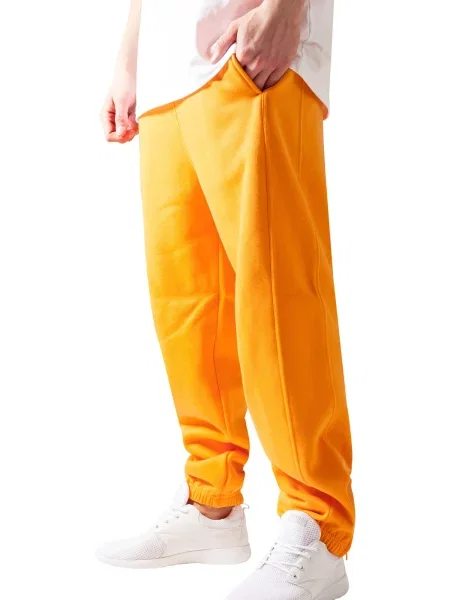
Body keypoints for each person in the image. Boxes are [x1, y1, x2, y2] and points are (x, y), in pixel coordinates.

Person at [97, 1, 355, 598]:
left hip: (252, 52)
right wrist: (130, 57)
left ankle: (318, 526)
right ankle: (212, 501)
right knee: (188, 299)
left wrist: (287, 8)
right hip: (168, 68)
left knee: (279, 295)